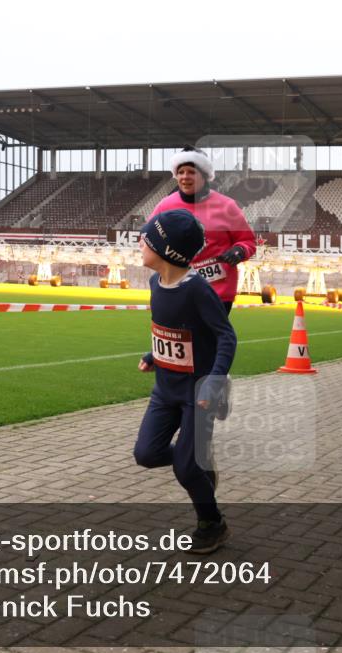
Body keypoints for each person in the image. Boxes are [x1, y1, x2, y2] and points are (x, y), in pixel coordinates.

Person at [134, 208, 236, 554]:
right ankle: (197, 462)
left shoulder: (197, 291)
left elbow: (226, 337)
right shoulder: (154, 284)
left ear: (166, 249)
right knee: (146, 454)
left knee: (185, 469)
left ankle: (212, 524)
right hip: (165, 390)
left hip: (200, 393)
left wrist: (215, 381)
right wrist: (153, 355)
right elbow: (172, 332)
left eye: (147, 238)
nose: (140, 242)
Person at [149, 146, 257, 314]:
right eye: (181, 172)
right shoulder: (165, 206)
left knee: (210, 340)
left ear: (205, 175)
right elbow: (147, 239)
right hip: (176, 289)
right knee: (179, 339)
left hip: (217, 294)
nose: (185, 177)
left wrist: (239, 251)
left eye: (191, 172)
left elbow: (248, 241)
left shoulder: (227, 206)